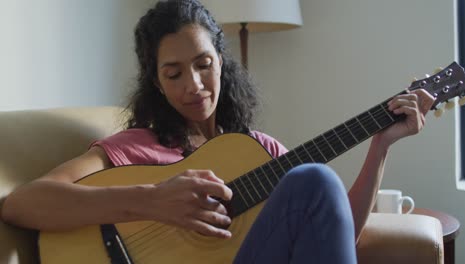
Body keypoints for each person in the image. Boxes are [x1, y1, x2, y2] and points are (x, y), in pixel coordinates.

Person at [1, 0, 435, 263]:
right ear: (156, 83)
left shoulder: (258, 150)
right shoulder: (135, 147)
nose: (193, 85)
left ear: (222, 62)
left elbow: (336, 233)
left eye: (203, 65)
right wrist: (152, 200)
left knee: (313, 180)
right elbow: (22, 204)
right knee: (314, 176)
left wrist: (381, 145)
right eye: (173, 73)